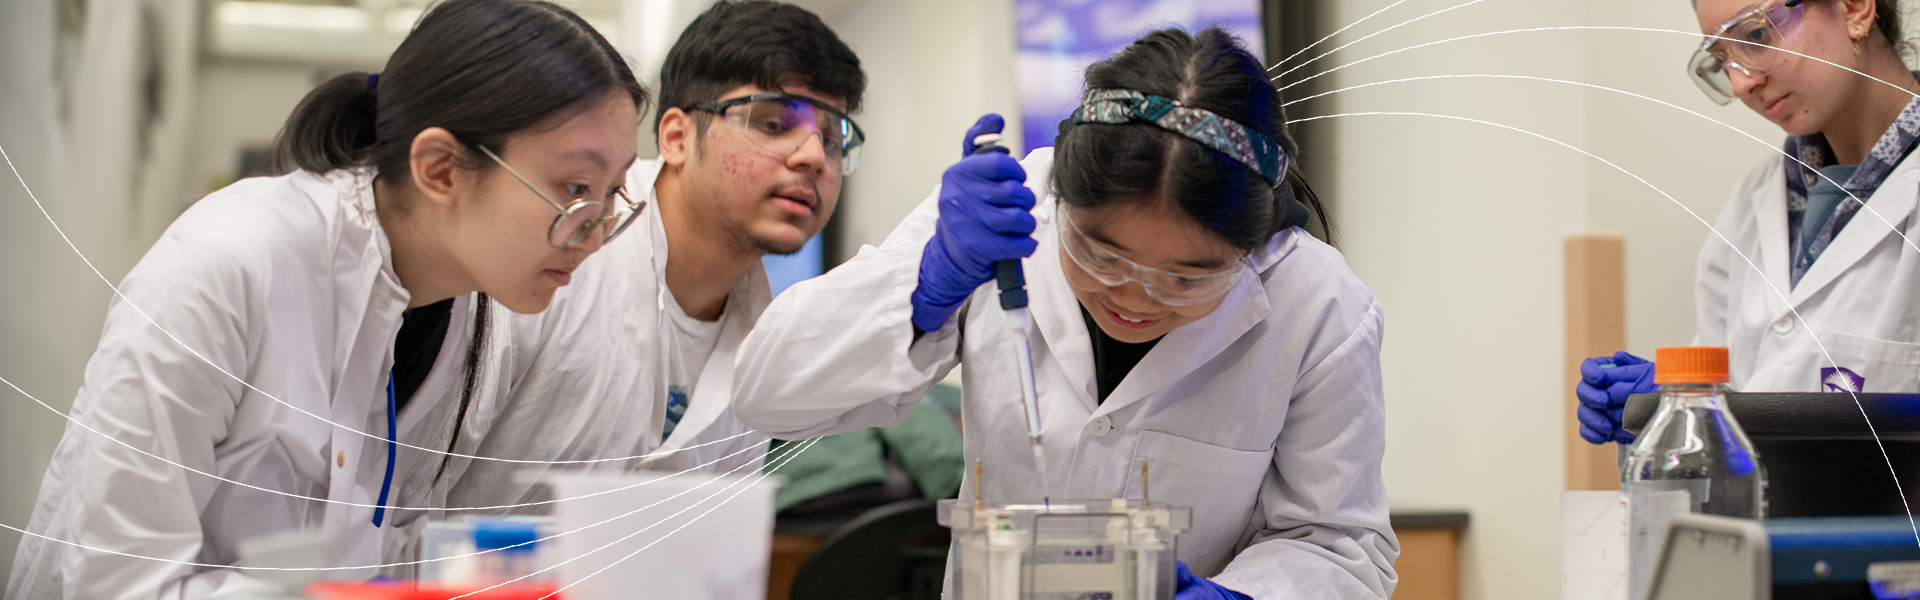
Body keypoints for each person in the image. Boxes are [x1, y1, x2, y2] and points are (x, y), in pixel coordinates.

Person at [4, 1, 645, 597]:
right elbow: (115, 580)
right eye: (575, 186)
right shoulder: (228, 265)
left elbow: (363, 546)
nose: (596, 232)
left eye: (615, 192)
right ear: (441, 169)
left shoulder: (452, 308)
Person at [733, 27, 1397, 600]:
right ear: (1060, 207)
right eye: (1103, 257)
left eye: (1187, 277)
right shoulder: (999, 221)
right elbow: (767, 396)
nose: (1136, 299)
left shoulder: (1317, 306)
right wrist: (923, 286)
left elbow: (1339, 542)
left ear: (1250, 247)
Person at [370, 0, 867, 572]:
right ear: (677, 136)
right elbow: (392, 504)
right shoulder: (540, 248)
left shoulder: (765, 337)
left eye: (834, 139)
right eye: (776, 124)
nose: (812, 157)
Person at [1577, 0, 1920, 445]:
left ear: (1854, 9)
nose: (1740, 84)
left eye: (1755, 37)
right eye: (1721, 59)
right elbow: (1741, 396)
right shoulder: (1755, 202)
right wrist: (1678, 409)